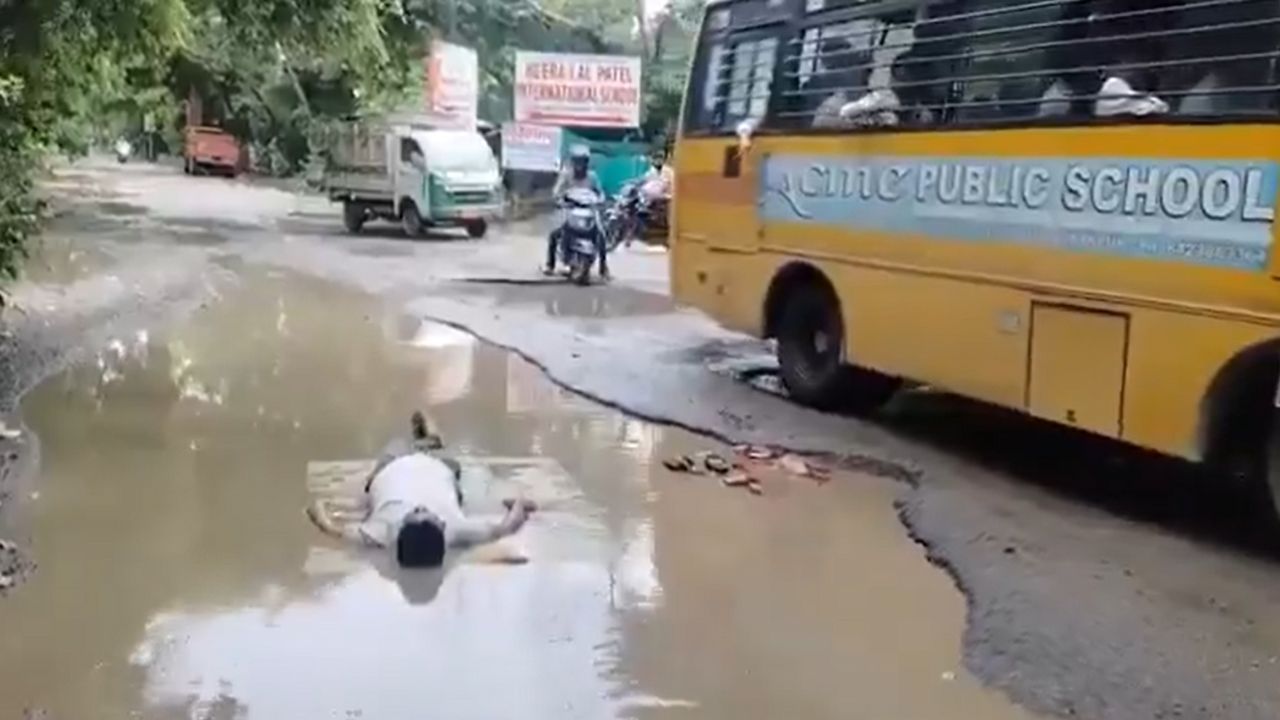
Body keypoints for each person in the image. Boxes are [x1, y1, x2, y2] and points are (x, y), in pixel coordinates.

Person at [307, 411, 536, 568]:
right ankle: (429, 435)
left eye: (414, 514)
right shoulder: (455, 531)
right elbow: (505, 528)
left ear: (399, 532)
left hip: (391, 468)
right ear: (442, 527)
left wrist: (319, 509)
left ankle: (423, 435)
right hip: (439, 467)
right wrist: (519, 505)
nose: (418, 507)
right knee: (436, 445)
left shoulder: (382, 533)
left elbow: (331, 529)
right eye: (426, 512)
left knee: (396, 444)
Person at [545, 145, 609, 280]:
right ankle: (550, 265)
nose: (580, 165)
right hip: (570, 209)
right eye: (578, 161)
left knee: (601, 235)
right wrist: (559, 199)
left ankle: (604, 268)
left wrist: (601, 199)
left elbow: (600, 192)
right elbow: (557, 191)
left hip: (588, 210)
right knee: (554, 234)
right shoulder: (566, 175)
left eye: (583, 161)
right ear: (573, 162)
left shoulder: (592, 176)